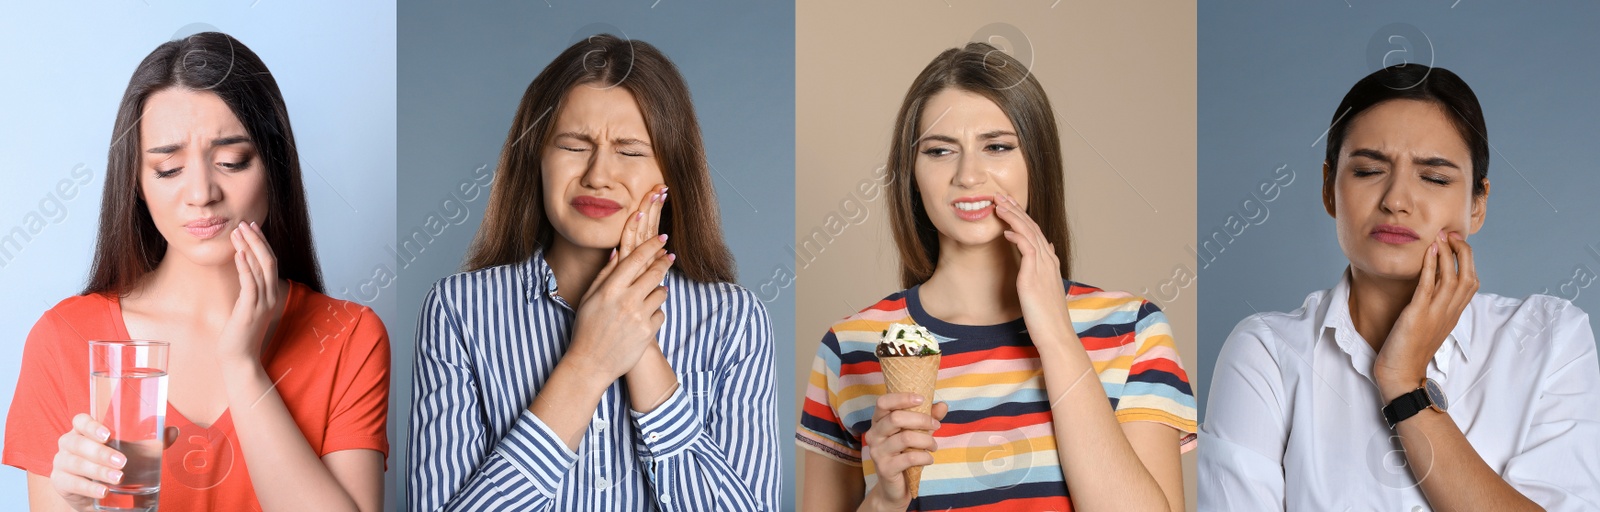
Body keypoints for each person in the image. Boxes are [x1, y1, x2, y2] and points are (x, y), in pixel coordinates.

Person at [797, 43, 1198, 512]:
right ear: (912, 174)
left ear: (1037, 160)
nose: (969, 175)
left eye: (997, 146)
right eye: (940, 150)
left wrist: (1056, 334)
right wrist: (885, 501)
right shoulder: (850, 348)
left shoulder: (1133, 331)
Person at [3, 32, 390, 511]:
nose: (202, 192)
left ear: (274, 166)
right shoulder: (64, 338)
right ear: (138, 184)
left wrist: (242, 365)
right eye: (168, 169)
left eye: (232, 161)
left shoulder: (349, 336)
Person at [1200, 64, 1600, 511]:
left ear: (1477, 206)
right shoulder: (1267, 352)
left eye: (1434, 178)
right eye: (1369, 170)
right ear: (1329, 190)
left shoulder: (1549, 338)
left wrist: (1404, 384)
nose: (1396, 200)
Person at [405, 34, 779, 511]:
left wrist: (638, 344)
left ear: (672, 173)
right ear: (537, 160)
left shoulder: (735, 320)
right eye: (574, 145)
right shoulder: (457, 311)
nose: (598, 174)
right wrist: (589, 364)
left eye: (630, 150)